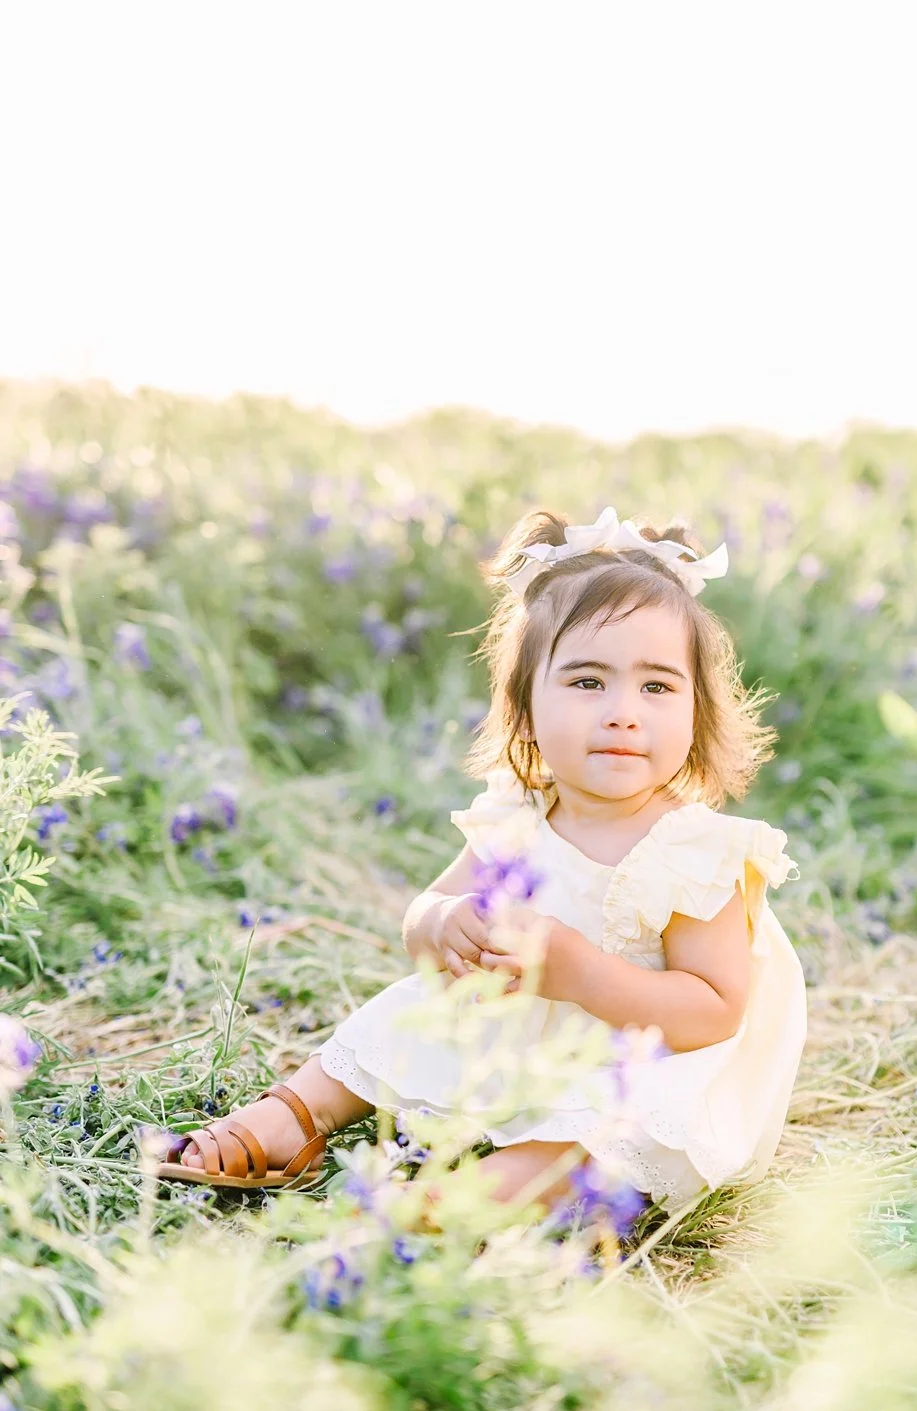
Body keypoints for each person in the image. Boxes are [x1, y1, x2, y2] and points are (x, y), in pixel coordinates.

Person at [158, 505, 806, 1215]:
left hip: (642, 1060)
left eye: (656, 686)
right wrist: (442, 923)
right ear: (525, 708)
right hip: (525, 1031)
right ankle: (295, 1117)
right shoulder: (517, 815)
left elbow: (713, 1012)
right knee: (405, 1011)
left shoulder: (694, 852)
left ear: (697, 712)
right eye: (587, 682)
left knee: (597, 1138)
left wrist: (582, 974)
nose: (623, 711)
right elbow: (422, 919)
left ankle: (457, 1201)